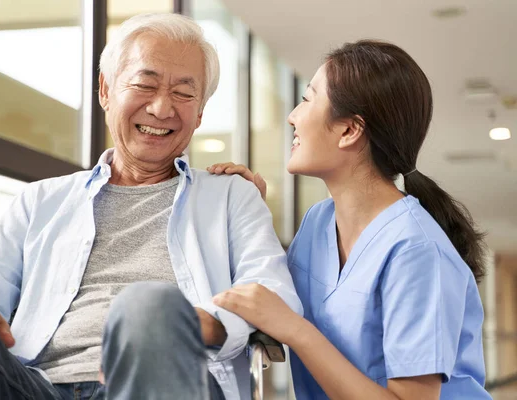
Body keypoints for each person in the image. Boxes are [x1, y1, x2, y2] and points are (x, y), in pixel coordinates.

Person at [0, 13, 302, 400]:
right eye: (144, 84)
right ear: (105, 90)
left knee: (147, 304)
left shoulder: (231, 195)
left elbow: (274, 293)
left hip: (170, 380)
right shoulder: (42, 201)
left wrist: (199, 322)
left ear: (200, 112)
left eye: (184, 93)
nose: (161, 108)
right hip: (37, 387)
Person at [210, 40, 491, 399]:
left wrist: (296, 331)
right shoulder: (317, 222)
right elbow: (272, 294)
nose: (293, 115)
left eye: (308, 99)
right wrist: (249, 215)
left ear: (349, 130)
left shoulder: (416, 251)